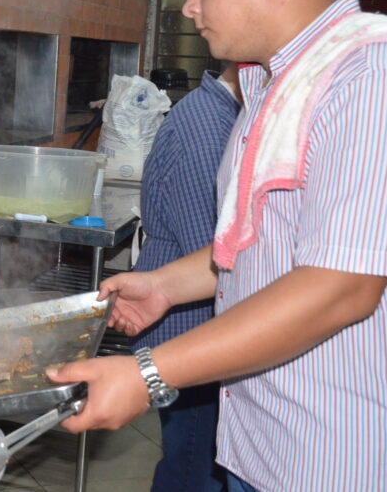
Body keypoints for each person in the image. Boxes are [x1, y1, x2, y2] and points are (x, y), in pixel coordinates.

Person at [49, 0, 387, 492]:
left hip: (337, 454)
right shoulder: (271, 83)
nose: (190, 7)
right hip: (257, 442)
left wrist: (147, 372)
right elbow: (261, 244)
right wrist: (167, 284)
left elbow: (343, 286)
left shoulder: (373, 73)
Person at [134, 62, 241, 492]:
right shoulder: (205, 130)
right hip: (190, 327)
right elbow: (215, 254)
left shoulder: (226, 120)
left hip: (196, 325)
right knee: (194, 470)